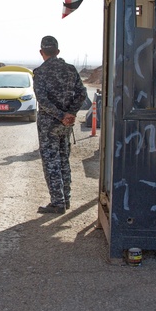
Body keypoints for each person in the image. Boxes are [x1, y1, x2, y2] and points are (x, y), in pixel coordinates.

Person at [33, 35, 87, 214]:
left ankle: (57, 202)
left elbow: (42, 100)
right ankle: (66, 199)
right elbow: (82, 94)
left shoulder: (40, 72)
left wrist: (61, 115)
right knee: (64, 159)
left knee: (51, 161)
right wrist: (70, 114)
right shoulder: (70, 70)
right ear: (57, 51)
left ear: (42, 52)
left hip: (49, 124)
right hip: (66, 125)